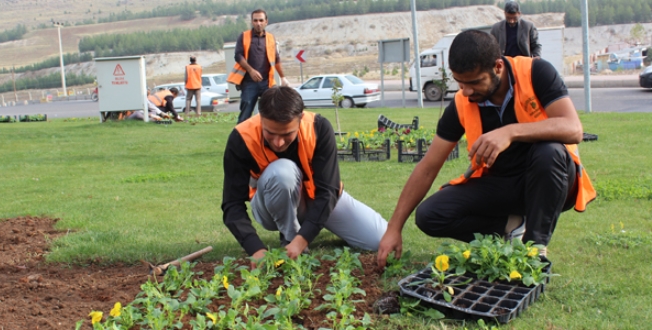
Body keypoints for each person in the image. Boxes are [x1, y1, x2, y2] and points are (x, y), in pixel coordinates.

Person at [376, 30, 596, 269]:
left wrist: (510, 131)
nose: (467, 91)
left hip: (550, 181)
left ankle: (534, 250)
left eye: (474, 82)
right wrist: (394, 228)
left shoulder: (536, 73)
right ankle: (512, 225)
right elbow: (428, 167)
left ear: (498, 66)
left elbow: (573, 128)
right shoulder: (462, 102)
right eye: (460, 83)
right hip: (502, 184)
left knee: (549, 151)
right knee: (430, 214)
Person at [222, 86, 387, 266]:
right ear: (261, 118)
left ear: (300, 118)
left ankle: (303, 231)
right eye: (270, 133)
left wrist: (303, 239)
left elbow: (328, 191)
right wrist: (255, 248)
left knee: (379, 239)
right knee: (283, 172)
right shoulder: (241, 137)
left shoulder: (319, 128)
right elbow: (232, 204)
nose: (278, 142)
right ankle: (289, 237)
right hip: (269, 208)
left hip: (317, 201)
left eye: (286, 134)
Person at [227, 9, 289, 124]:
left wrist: (283, 78)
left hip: (267, 82)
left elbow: (276, 58)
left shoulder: (271, 38)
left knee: (275, 109)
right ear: (251, 22)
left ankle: (270, 137)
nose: (258, 23)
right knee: (245, 113)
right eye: (255, 20)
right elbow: (238, 56)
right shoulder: (244, 36)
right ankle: (239, 139)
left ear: (266, 22)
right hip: (249, 83)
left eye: (261, 20)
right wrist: (251, 71)